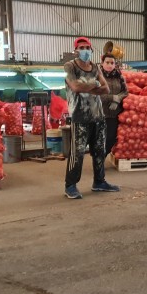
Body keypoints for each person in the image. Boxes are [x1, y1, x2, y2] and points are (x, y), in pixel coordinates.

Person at [63, 37, 120, 199]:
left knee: (99, 151)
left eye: (87, 47)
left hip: (98, 115)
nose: (85, 50)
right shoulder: (70, 66)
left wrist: (87, 87)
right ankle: (70, 185)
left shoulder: (95, 67)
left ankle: (99, 182)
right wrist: (95, 84)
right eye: (81, 48)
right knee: (77, 152)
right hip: (79, 116)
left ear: (91, 50)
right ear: (76, 50)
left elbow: (106, 88)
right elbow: (75, 86)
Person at [98, 53, 128, 155]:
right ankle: (99, 159)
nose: (110, 65)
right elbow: (95, 95)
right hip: (100, 114)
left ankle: (102, 156)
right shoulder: (97, 77)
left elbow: (125, 91)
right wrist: (111, 98)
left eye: (112, 63)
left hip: (114, 114)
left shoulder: (119, 77)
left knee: (111, 138)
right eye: (107, 62)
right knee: (100, 139)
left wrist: (118, 99)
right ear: (102, 63)